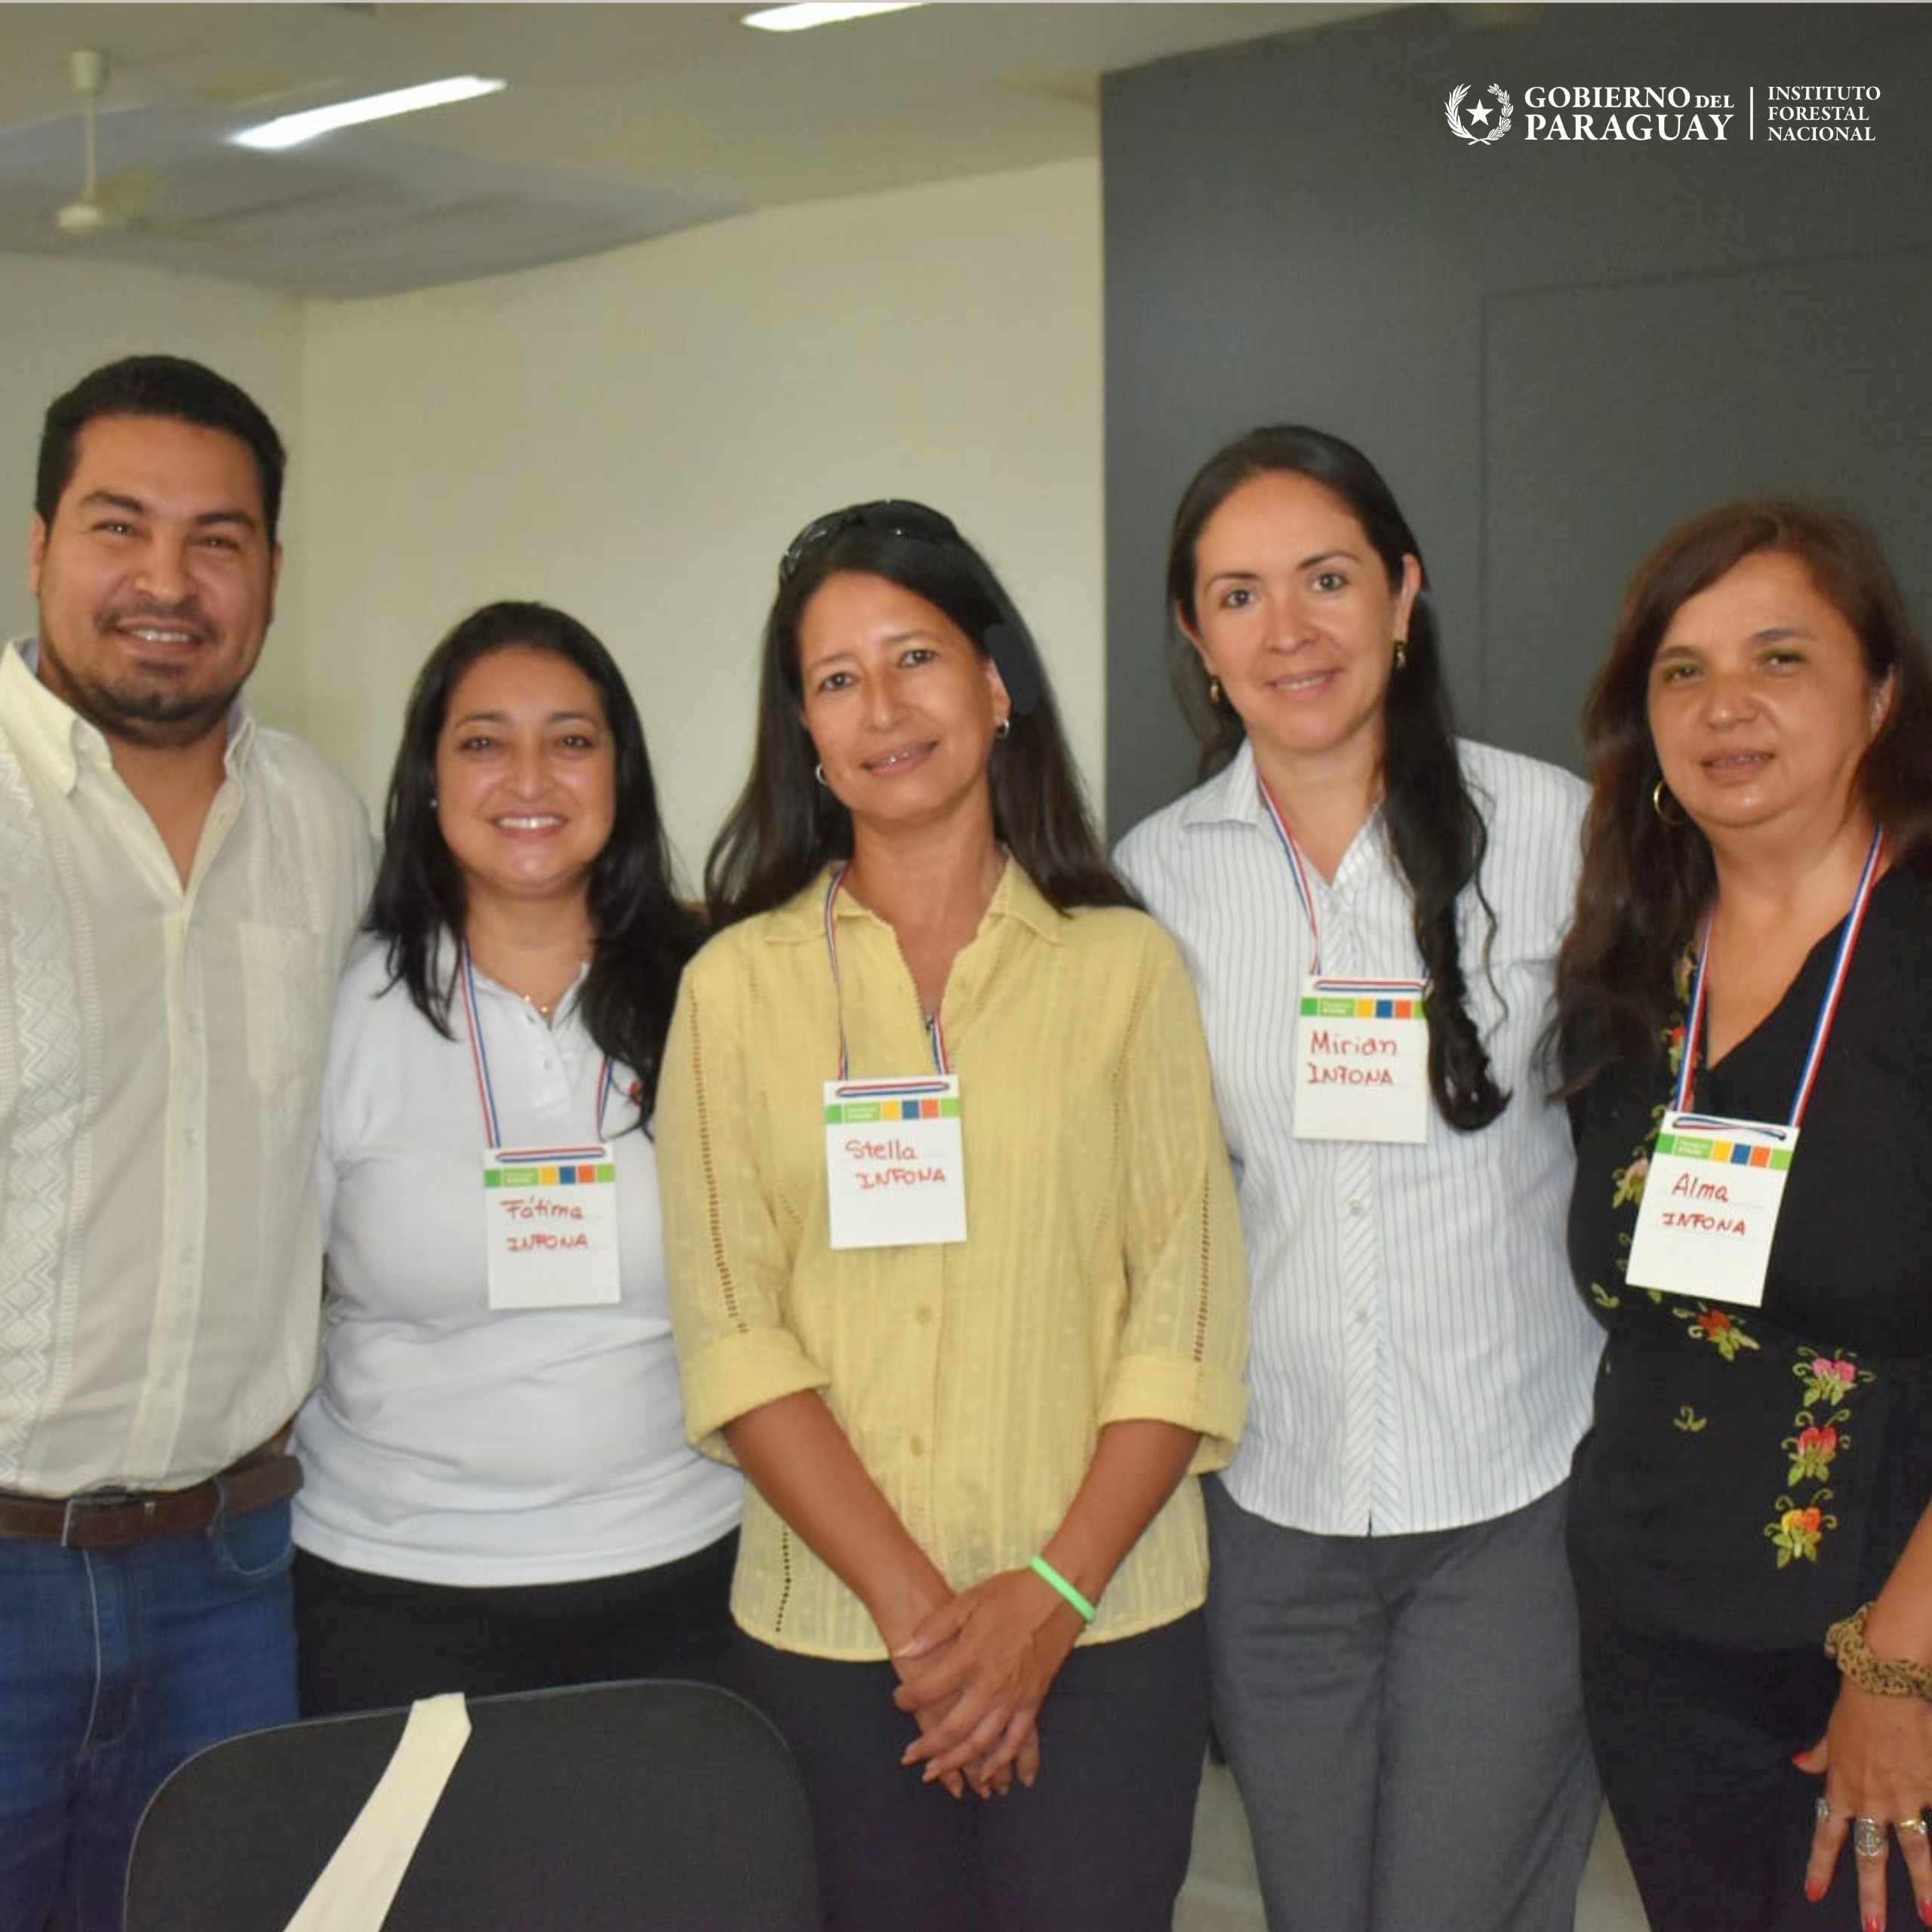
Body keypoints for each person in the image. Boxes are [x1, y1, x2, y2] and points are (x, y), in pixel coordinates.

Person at [655, 500, 1248, 1932]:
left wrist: (1043, 1601)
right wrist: (936, 1627)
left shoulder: (1123, 969)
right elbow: (736, 1337)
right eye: (837, 679)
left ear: (996, 685)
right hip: (833, 1640)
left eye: (915, 657)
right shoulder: (735, 988)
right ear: (803, 727)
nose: (883, 708)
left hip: (1106, 1631)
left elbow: (1185, 1313)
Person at [1115, 426, 1604, 1932]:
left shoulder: (1559, 835)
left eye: (1326, 578)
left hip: (1513, 1501)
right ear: (1196, 640)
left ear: (1402, 594)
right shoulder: (1146, 883)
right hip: (1273, 1515)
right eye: (1239, 595)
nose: (1291, 628)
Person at [0, 355, 371, 1930]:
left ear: (273, 576)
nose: (167, 579)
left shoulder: (326, 822)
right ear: (37, 544)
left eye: (217, 538)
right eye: (118, 525)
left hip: (236, 1574)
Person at [1555, 500, 1932, 1932]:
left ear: (1880, 694)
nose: (1728, 709)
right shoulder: (1632, 964)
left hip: (1891, 1641)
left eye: (1780, 660)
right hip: (1655, 1638)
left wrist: (1900, 1666)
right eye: (1683, 671)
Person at [291, 601, 742, 1712]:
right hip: (391, 1585)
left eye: (572, 741)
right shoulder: (340, 1009)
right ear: (429, 781)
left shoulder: (724, 997)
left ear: (621, 776)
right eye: (484, 742)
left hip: (684, 1570)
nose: (529, 778)